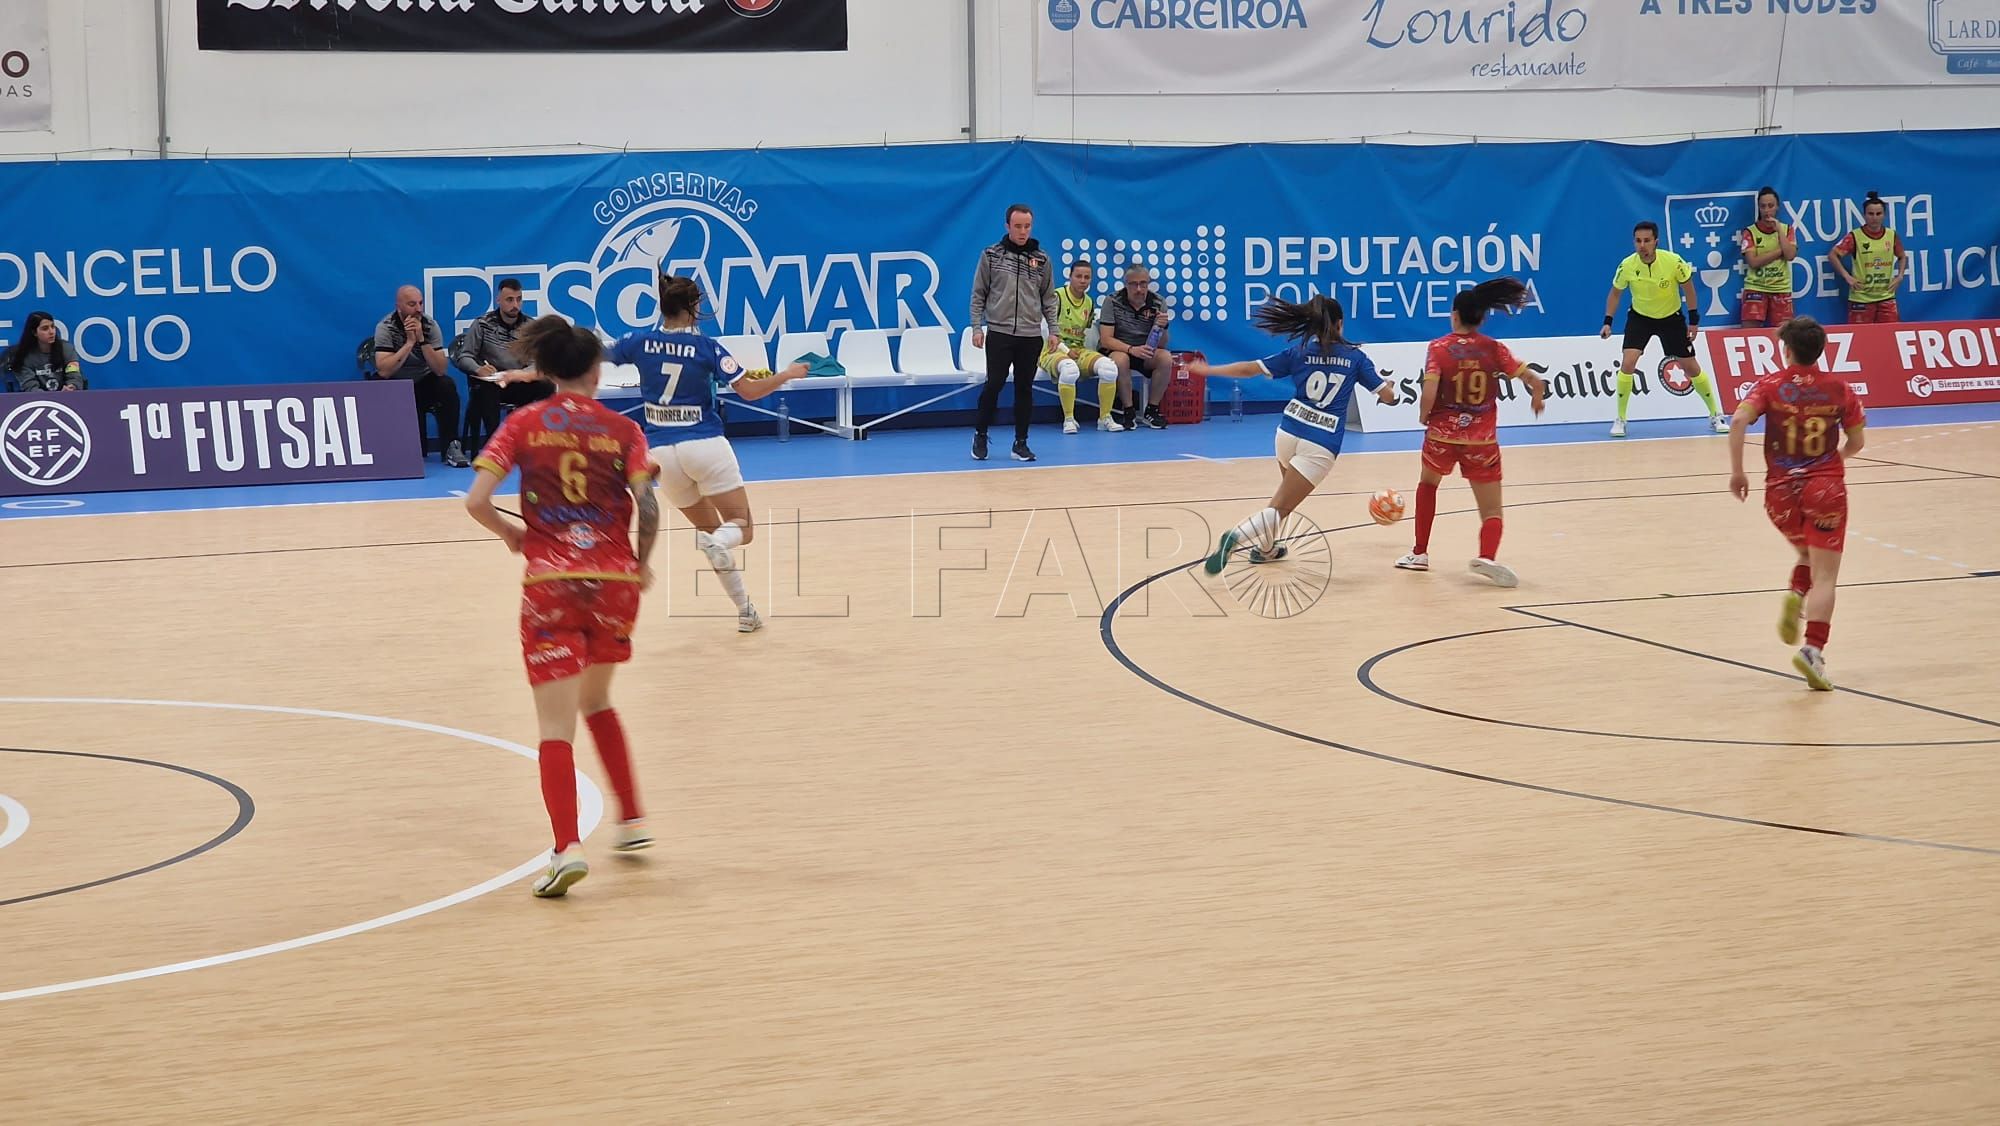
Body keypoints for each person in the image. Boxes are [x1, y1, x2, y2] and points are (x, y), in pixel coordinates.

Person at [464, 314, 661, 898]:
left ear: (545, 372)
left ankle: (566, 848)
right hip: (612, 580)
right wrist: (640, 561)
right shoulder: (623, 430)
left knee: (555, 724)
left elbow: (477, 501)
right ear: (597, 372)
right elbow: (647, 507)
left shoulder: (523, 424)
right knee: (598, 699)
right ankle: (632, 820)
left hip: (551, 582)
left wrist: (511, 535)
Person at [606, 273, 807, 635]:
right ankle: (723, 557)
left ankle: (746, 611)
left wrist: (531, 372)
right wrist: (786, 374)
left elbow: (593, 353)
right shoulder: (707, 348)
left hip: (661, 454)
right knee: (740, 530)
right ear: (693, 307)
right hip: (705, 445)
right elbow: (748, 391)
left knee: (712, 533)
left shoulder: (637, 341)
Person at [1189, 296, 1398, 573]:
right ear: (1340, 324)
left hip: (1288, 433)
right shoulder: (1356, 357)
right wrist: (1390, 391)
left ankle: (1266, 550)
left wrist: (1209, 370)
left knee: (1280, 501)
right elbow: (1388, 396)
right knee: (1280, 508)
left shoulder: (1298, 353)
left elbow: (1250, 369)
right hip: (1320, 443)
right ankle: (1236, 536)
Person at [1727, 316, 1865, 692]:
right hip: (1825, 489)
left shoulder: (1770, 386)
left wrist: (1738, 473)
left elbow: (1738, 421)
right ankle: (1812, 650)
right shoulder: (1839, 389)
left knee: (1807, 556)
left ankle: (1795, 592)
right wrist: (1832, 460)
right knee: (1825, 574)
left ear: (1786, 350)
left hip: (1780, 493)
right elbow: (1856, 443)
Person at [1395, 278, 1549, 588]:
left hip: (1442, 435)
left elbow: (1430, 390)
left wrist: (1425, 415)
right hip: (1482, 440)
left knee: (1428, 484)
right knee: (1491, 508)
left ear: (1454, 316)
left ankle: (1420, 553)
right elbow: (1535, 380)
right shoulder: (1494, 348)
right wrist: (1536, 396)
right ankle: (1487, 556)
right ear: (1482, 317)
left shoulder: (1438, 348)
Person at [1600, 221, 1728, 438]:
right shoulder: (1627, 266)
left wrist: (1694, 320)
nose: (1642, 246)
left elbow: (1689, 288)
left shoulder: (1673, 262)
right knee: (1628, 362)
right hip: (1640, 317)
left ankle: (1716, 414)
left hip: (1671, 318)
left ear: (1656, 242)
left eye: (1647, 241)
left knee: (1691, 367)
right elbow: (1615, 294)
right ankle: (1620, 419)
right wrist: (1608, 321)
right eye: (1638, 241)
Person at [968, 203, 1062, 462]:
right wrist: (978, 327)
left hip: (1030, 335)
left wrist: (1053, 330)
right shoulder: (991, 255)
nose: (1023, 231)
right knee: (994, 383)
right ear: (1007, 226)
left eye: (1027, 226)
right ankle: (980, 434)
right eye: (1018, 226)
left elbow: (1048, 298)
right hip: (999, 332)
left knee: (1025, 388)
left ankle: (1020, 443)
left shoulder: (1042, 259)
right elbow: (979, 294)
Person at [374, 284, 471, 467]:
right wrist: (409, 343)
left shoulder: (430, 325)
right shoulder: (385, 327)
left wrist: (421, 340)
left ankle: (451, 446)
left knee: (447, 385)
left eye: (420, 303)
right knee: (378, 383)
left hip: (424, 382)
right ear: (399, 306)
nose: (418, 309)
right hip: (397, 384)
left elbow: (440, 369)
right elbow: (384, 370)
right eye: (412, 304)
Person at [453, 277, 552, 454]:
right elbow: (464, 356)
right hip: (493, 383)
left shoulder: (531, 326)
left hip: (520, 382)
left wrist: (522, 374)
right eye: (510, 300)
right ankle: (497, 446)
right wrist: (478, 369)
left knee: (547, 385)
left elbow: (539, 362)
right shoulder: (482, 324)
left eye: (519, 299)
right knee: (485, 388)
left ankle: (541, 442)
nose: (515, 304)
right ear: (498, 300)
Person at [1039, 260, 1124, 434]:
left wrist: (1087, 356)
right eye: (1078, 276)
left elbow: (1084, 333)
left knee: (1109, 368)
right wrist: (1066, 351)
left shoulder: (1089, 302)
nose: (1083, 280)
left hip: (1078, 349)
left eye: (1087, 277)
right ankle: (1069, 419)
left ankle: (1104, 418)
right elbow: (1047, 330)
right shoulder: (1057, 297)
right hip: (1053, 349)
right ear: (1070, 277)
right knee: (1069, 369)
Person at [1099, 262, 1175, 431]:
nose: (1139, 289)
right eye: (1134, 284)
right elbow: (1106, 340)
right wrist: (1131, 349)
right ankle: (1128, 411)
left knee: (1165, 357)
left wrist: (1162, 326)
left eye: (1143, 284)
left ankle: (1152, 410)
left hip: (1145, 351)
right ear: (1126, 284)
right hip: (1118, 349)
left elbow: (1162, 344)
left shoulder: (1158, 302)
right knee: (1121, 360)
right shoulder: (1112, 301)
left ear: (1148, 284)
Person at [1830, 192, 1909, 325]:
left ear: (1884, 215)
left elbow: (1902, 256)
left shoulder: (1891, 235)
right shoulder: (1855, 236)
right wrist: (1847, 277)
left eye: (1878, 214)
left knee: (1890, 338)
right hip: (1861, 299)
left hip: (1886, 298)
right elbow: (1832, 255)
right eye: (1870, 214)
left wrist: (1900, 276)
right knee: (1860, 340)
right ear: (1864, 215)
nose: (1874, 218)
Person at [1738, 186, 1798, 329]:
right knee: (1748, 335)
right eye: (1763, 206)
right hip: (1755, 288)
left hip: (1781, 288)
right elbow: (1753, 262)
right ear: (1759, 208)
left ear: (1777, 207)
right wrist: (1779, 252)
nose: (1766, 210)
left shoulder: (1787, 229)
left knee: (1786, 336)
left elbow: (1790, 255)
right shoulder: (1750, 232)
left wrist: (1779, 231)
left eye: (1770, 206)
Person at [4, 312, 85, 392]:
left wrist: (72, 386)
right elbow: (29, 386)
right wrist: (48, 398)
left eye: (53, 327)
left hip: (68, 397)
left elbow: (74, 374)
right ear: (34, 332)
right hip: (37, 401)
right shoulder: (22, 356)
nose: (51, 332)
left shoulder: (66, 348)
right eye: (45, 328)